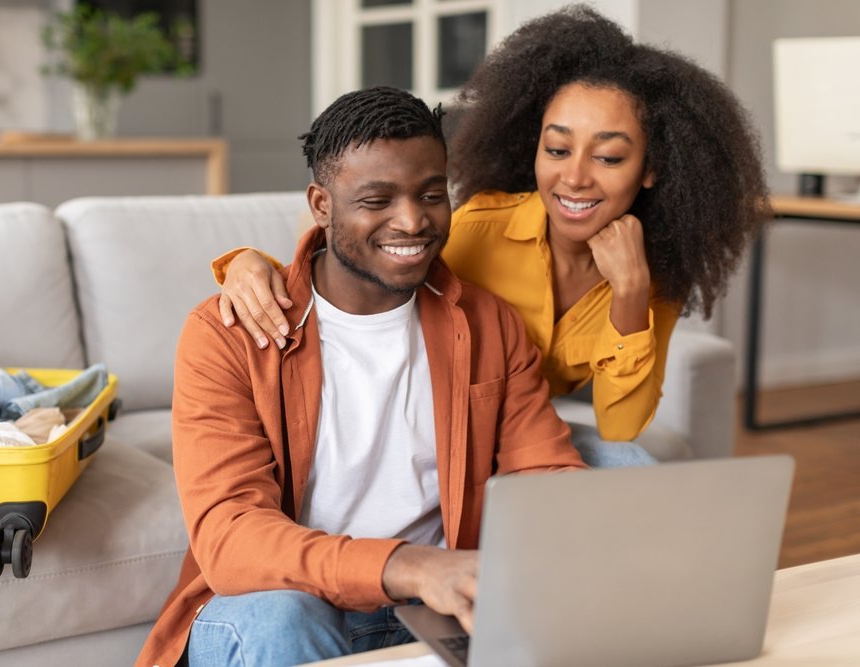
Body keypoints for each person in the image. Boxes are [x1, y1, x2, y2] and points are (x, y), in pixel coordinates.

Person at [137, 86, 585, 667]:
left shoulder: (487, 323)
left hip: (433, 610)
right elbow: (231, 536)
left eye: (431, 194)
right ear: (321, 205)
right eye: (377, 200)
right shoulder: (227, 333)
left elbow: (543, 469)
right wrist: (410, 565)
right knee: (285, 617)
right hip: (289, 603)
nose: (413, 220)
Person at [212, 5, 770, 466]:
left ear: (650, 168)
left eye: (608, 156)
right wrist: (248, 262)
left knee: (634, 467)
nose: (574, 176)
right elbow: (359, 260)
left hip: (523, 432)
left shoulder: (651, 275)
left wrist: (629, 293)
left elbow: (620, 424)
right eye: (556, 149)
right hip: (439, 424)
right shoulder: (478, 229)